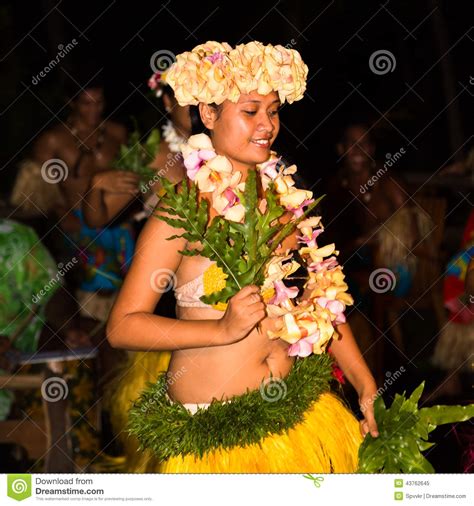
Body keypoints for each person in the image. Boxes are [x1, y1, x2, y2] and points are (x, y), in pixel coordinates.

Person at [107, 41, 379, 473]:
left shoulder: (288, 201)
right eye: (250, 110)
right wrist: (222, 329)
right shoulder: (183, 210)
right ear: (210, 115)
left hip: (295, 415)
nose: (266, 125)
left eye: (273, 111)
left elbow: (323, 304)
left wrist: (364, 383)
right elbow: (122, 326)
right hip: (214, 434)